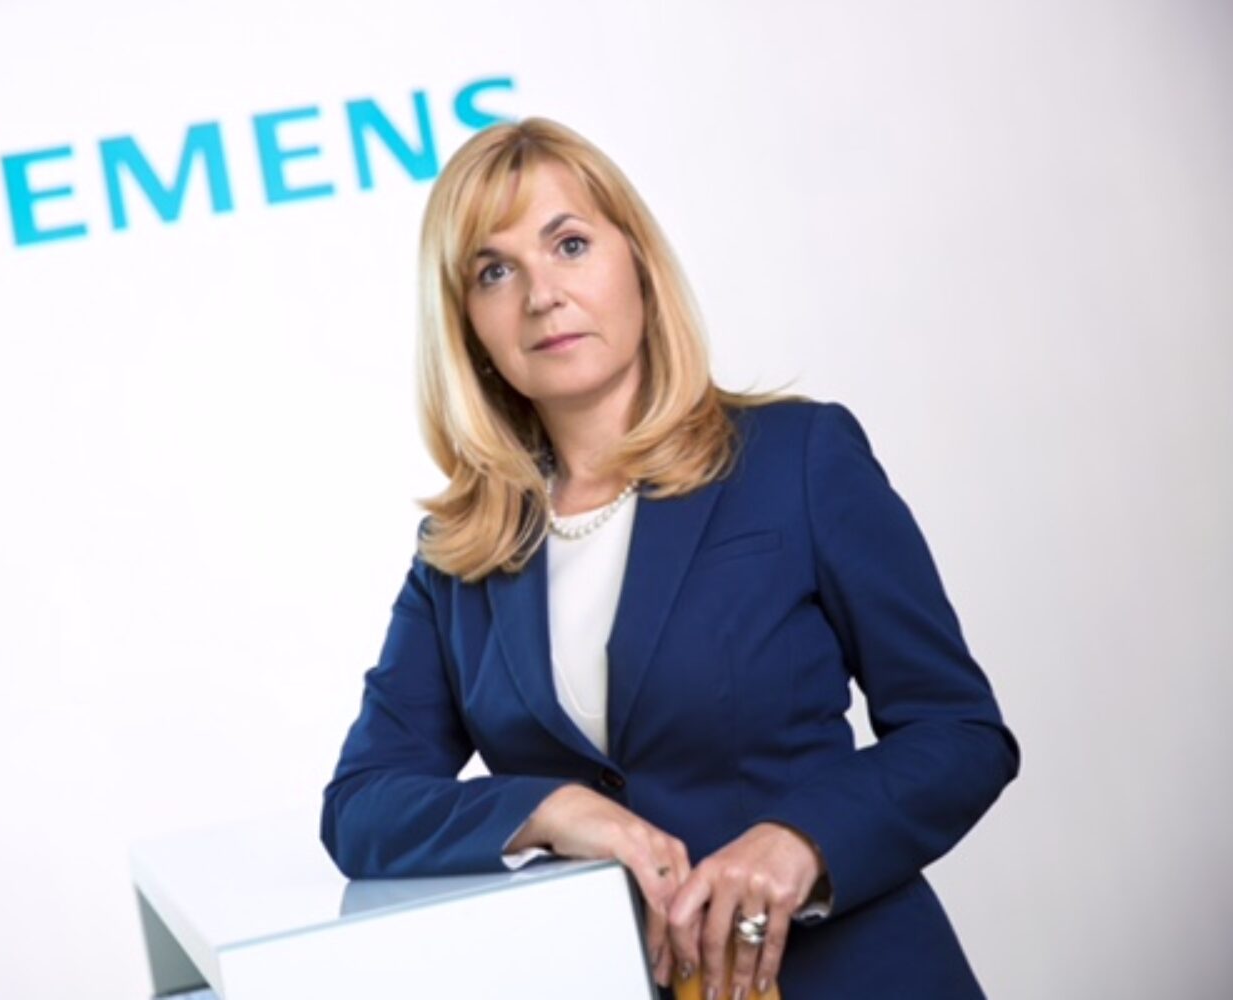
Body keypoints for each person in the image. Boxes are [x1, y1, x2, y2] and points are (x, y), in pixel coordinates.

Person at [320, 117, 1019, 999]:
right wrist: (551, 810)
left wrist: (804, 840)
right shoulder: (460, 553)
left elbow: (959, 733)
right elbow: (363, 803)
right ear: (468, 328)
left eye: (570, 244)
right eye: (494, 272)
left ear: (638, 263)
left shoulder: (799, 459)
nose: (541, 295)